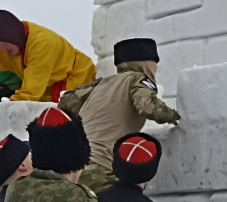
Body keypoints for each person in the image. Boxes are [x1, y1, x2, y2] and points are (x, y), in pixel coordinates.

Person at [58, 37, 180, 193]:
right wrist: (175, 117)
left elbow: (67, 101)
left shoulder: (101, 84)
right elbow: (147, 106)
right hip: (101, 166)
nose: (156, 68)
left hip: (73, 166)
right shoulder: (139, 79)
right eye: (154, 63)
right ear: (145, 63)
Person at [0, 10, 96, 102]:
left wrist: (5, 110)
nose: (3, 50)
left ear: (14, 37)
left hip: (76, 78)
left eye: (5, 44)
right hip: (45, 87)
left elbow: (30, 93)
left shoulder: (43, 43)